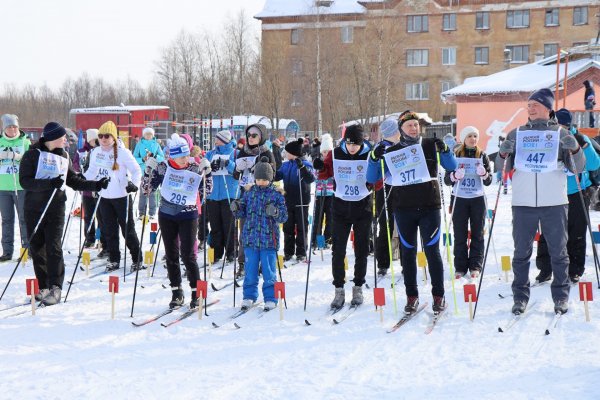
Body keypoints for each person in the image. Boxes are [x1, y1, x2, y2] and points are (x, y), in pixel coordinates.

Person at [498, 89, 585, 315]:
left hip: (554, 200)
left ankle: (561, 296)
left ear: (548, 108)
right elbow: (503, 170)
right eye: (529, 105)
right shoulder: (516, 134)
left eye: (536, 104)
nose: (531, 108)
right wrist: (502, 154)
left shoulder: (559, 133)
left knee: (559, 252)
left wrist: (574, 147)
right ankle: (519, 297)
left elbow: (579, 167)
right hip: (523, 201)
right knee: (521, 253)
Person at [367, 111, 458, 314]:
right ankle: (412, 296)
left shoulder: (429, 144)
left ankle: (438, 295)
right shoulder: (392, 151)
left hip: (429, 207)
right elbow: (373, 178)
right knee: (407, 253)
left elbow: (452, 166)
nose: (414, 128)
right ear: (401, 130)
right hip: (404, 208)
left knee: (432, 252)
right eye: (409, 126)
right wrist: (373, 158)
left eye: (416, 125)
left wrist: (444, 150)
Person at [19, 122, 108, 305]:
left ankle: (55, 287)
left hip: (56, 208)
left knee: (54, 247)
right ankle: (43, 286)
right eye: (63, 137)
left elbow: (73, 180)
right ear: (52, 138)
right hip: (34, 208)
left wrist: (95, 185)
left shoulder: (64, 156)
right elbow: (25, 182)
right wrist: (49, 183)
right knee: (37, 248)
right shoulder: (32, 155)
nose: (66, 140)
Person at [142, 134, 212, 309]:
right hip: (167, 215)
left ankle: (197, 293)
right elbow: (147, 190)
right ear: (171, 156)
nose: (185, 159)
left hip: (188, 215)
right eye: (181, 156)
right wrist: (147, 171)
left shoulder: (194, 167)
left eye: (187, 155)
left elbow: (206, 190)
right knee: (171, 255)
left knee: (188, 255)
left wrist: (208, 173)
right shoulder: (163, 168)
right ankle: (176, 292)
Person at [535, 108, 600, 284]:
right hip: (552, 191)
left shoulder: (579, 138)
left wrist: (582, 145)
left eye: (557, 123)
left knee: (576, 232)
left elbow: (594, 164)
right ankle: (545, 269)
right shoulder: (548, 138)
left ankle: (574, 270)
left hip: (577, 192)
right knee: (548, 231)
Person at [314, 124, 373, 309]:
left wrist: (374, 182)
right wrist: (320, 167)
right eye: (349, 143)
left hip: (362, 207)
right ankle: (339, 289)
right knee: (338, 250)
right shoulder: (335, 153)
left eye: (356, 144)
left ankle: (358, 286)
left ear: (361, 143)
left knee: (361, 249)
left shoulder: (369, 154)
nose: (352, 147)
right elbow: (325, 173)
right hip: (340, 208)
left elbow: (377, 179)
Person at [84, 121, 143, 272]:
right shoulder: (96, 152)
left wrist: (134, 184)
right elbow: (91, 172)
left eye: (107, 136)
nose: (103, 139)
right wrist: (81, 181)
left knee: (127, 230)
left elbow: (136, 170)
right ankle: (114, 258)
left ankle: (137, 258)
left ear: (114, 137)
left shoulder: (123, 152)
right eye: (101, 136)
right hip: (104, 197)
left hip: (121, 196)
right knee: (109, 230)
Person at [230, 156, 287, 311]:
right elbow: (241, 212)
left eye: (264, 179)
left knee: (269, 271)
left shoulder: (276, 195)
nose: (261, 182)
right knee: (250, 270)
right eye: (259, 179)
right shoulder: (249, 193)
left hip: (269, 240)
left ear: (270, 179)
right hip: (250, 239)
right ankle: (249, 296)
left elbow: (283, 216)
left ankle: (271, 297)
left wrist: (274, 211)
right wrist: (236, 208)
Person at [443, 126, 492, 279]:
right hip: (460, 198)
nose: (473, 139)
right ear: (464, 138)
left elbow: (489, 180)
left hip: (477, 198)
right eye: (469, 136)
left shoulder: (482, 155)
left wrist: (484, 174)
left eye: (475, 136)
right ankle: (460, 267)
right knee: (460, 234)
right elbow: (446, 180)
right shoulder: (455, 155)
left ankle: (475, 265)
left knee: (478, 233)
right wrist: (455, 176)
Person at [232, 124, 275, 278]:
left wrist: (259, 169)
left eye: (254, 135)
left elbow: (273, 174)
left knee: (263, 231)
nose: (250, 138)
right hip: (246, 196)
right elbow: (235, 176)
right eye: (249, 134)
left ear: (261, 136)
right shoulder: (242, 152)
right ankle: (243, 264)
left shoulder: (267, 152)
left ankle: (264, 264)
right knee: (245, 232)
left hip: (262, 198)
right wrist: (237, 169)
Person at [275, 138, 315, 263]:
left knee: (302, 227)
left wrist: (302, 167)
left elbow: (310, 179)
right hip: (288, 201)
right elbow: (277, 176)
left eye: (287, 152)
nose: (285, 154)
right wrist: (269, 170)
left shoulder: (306, 164)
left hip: (301, 201)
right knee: (288, 227)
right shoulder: (285, 165)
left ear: (294, 153)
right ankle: (288, 251)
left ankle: (301, 252)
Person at [372, 118, 401, 276]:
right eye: (397, 131)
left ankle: (405, 261)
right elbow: (375, 169)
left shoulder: (399, 145)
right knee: (386, 226)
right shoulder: (381, 147)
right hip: (385, 188)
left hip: (402, 187)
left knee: (404, 226)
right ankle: (383, 263)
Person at [0, 114, 30, 261]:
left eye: (14, 126)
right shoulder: (0, 142)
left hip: (20, 187)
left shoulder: (25, 141)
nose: (12, 129)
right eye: (9, 126)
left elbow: (32, 160)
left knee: (24, 219)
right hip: (3, 187)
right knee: (6, 220)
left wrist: (20, 157)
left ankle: (27, 250)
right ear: (4, 128)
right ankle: (7, 251)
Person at [205, 130, 238, 263]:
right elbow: (204, 167)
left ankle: (231, 252)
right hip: (213, 195)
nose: (215, 140)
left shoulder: (234, 153)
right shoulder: (211, 153)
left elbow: (238, 171)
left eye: (218, 138)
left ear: (224, 140)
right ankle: (216, 252)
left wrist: (227, 163)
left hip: (228, 194)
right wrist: (206, 167)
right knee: (215, 225)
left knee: (228, 224)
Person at [75, 129, 109, 253]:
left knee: (101, 216)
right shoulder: (82, 151)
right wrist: (80, 168)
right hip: (87, 189)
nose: (95, 141)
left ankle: (101, 238)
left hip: (99, 189)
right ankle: (89, 238)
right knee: (88, 215)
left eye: (96, 139)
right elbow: (75, 165)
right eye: (92, 139)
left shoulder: (101, 151)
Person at [133, 127, 164, 220]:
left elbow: (162, 157)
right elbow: (134, 157)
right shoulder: (139, 144)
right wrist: (142, 159)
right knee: (143, 192)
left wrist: (154, 157)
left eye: (150, 134)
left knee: (152, 192)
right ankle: (141, 213)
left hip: (154, 171)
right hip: (143, 171)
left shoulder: (156, 144)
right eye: (146, 134)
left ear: (153, 135)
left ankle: (152, 212)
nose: (148, 136)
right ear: (143, 135)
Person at [311, 133, 334, 249]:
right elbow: (314, 176)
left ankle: (328, 240)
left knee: (330, 218)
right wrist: (318, 171)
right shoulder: (318, 162)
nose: (326, 154)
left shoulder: (333, 163)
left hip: (330, 194)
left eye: (328, 152)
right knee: (318, 218)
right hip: (320, 194)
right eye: (324, 152)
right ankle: (318, 241)